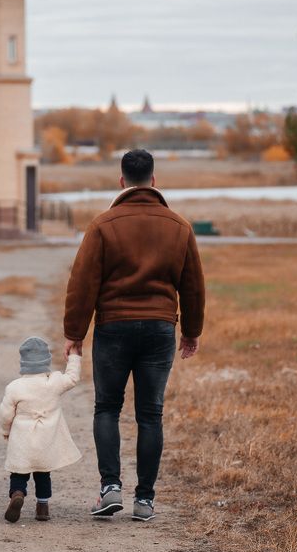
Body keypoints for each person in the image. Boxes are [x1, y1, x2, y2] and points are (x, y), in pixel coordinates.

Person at [63, 149, 205, 522]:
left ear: (122, 181)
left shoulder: (103, 224)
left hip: (113, 327)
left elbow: (82, 283)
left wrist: (74, 334)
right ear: (154, 181)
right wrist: (191, 331)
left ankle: (110, 488)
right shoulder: (179, 226)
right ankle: (145, 500)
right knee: (150, 414)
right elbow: (193, 287)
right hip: (159, 329)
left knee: (107, 408)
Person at [0, 337, 81, 523]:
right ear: (46, 361)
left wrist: (6, 431)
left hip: (22, 440)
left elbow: (5, 414)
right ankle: (42, 507)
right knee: (43, 473)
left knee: (18, 472)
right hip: (46, 440)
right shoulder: (54, 381)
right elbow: (73, 378)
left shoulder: (15, 387)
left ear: (23, 362)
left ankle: (17, 494)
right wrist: (74, 356)